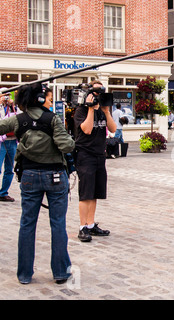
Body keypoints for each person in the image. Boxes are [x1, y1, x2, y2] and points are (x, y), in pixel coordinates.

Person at [0, 83, 75, 284]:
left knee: (27, 224)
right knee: (58, 224)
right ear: (40, 99)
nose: (51, 102)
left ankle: (24, 274)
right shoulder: (52, 119)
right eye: (49, 99)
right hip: (55, 176)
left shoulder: (17, 120)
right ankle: (60, 272)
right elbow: (66, 145)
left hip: (29, 175)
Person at [73, 80, 116, 242]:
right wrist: (90, 109)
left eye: (101, 92)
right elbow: (87, 129)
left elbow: (112, 129)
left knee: (95, 192)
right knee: (85, 193)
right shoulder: (81, 111)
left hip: (99, 155)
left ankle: (91, 224)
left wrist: (106, 111)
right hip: (85, 155)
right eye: (96, 92)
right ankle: (82, 226)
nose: (98, 95)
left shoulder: (103, 111)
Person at [0, 92, 18, 202]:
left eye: (8, 95)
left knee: (9, 169)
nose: (6, 98)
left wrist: (13, 106)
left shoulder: (13, 107)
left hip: (12, 141)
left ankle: (3, 192)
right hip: (1, 141)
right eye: (4, 95)